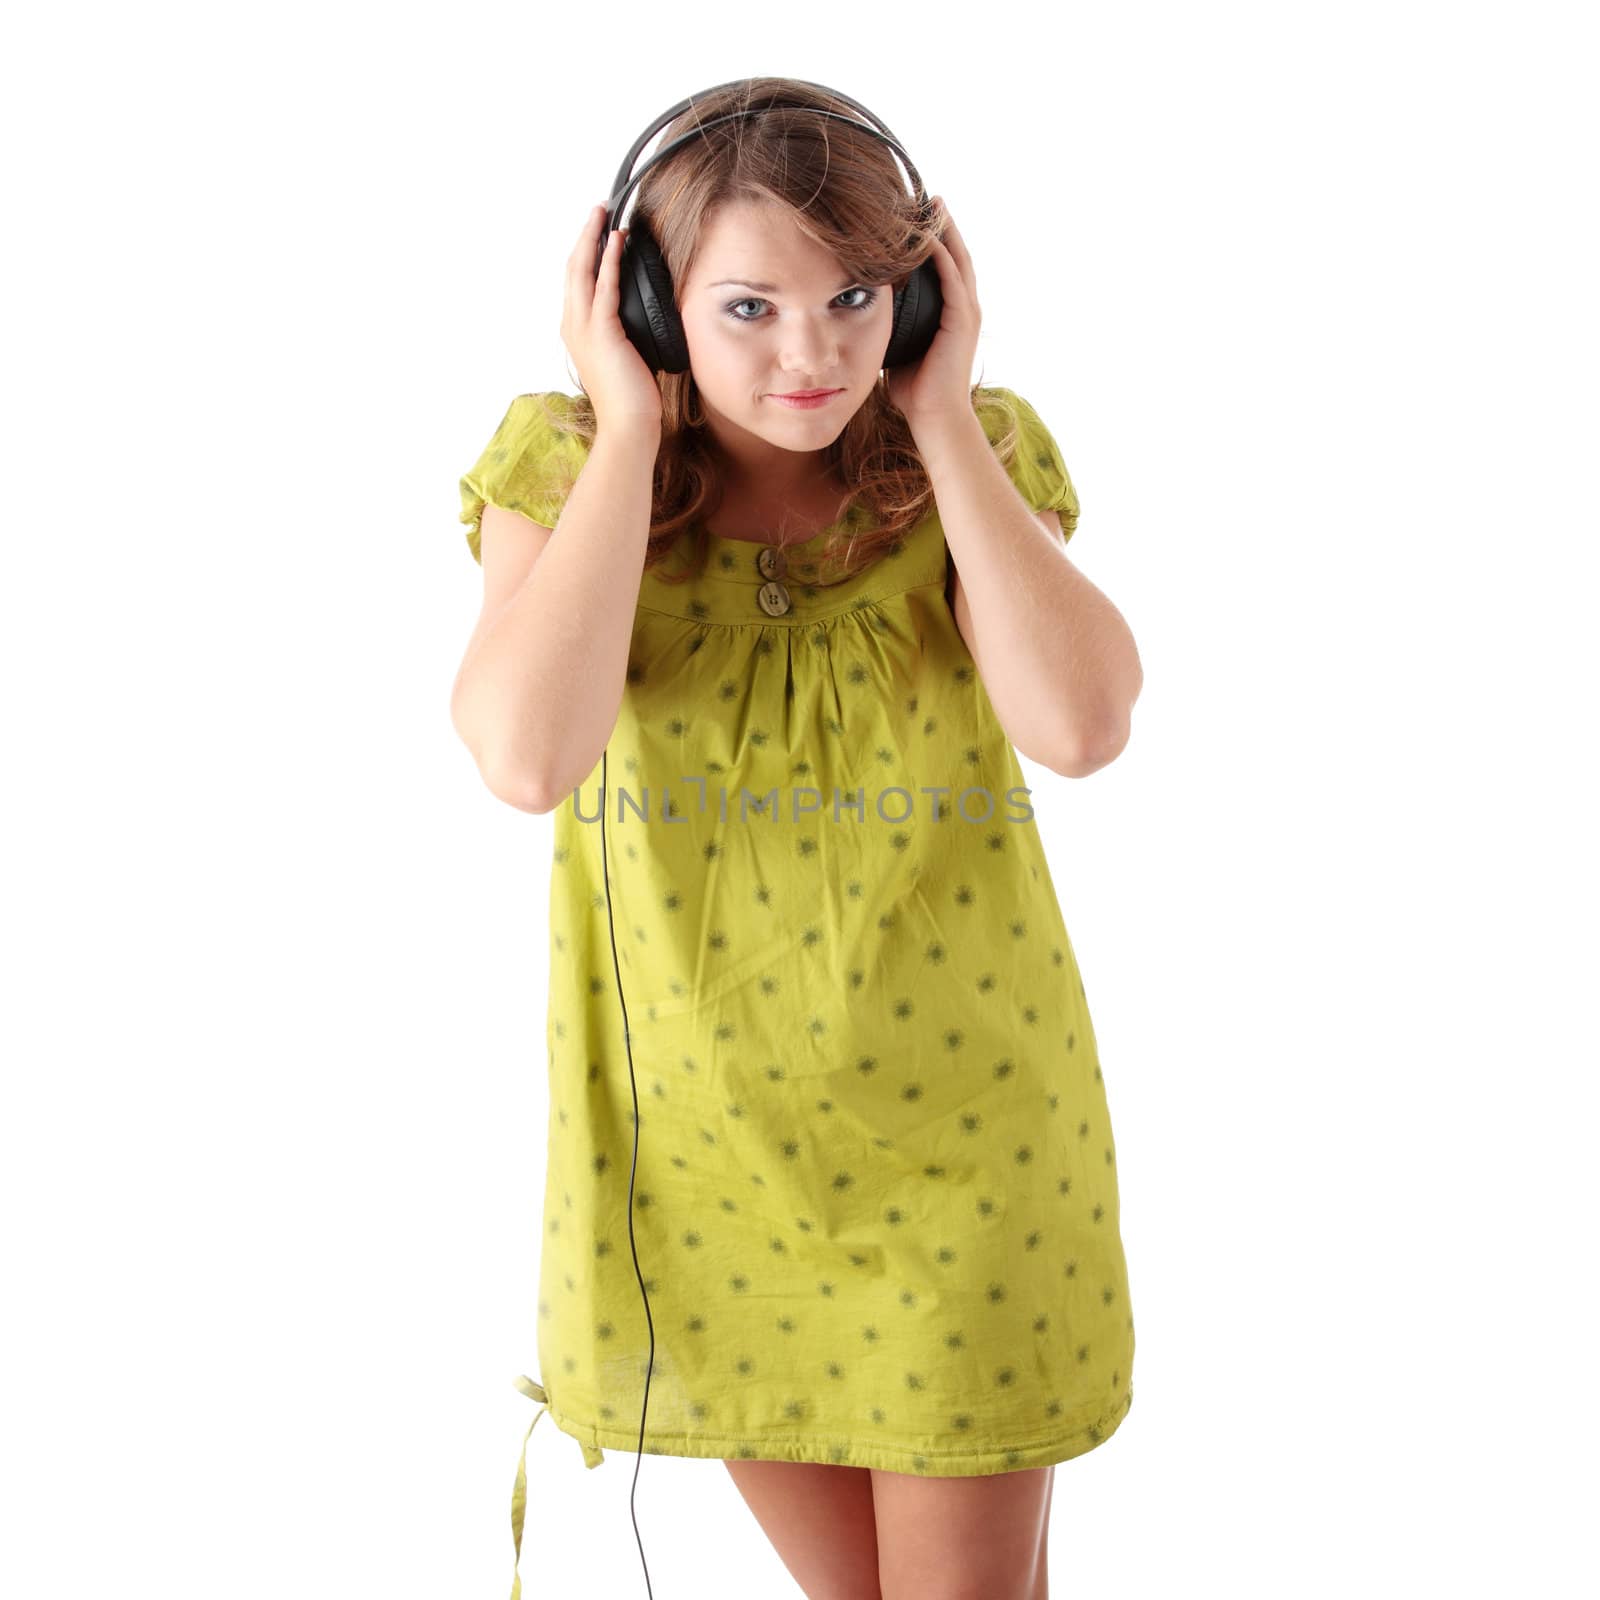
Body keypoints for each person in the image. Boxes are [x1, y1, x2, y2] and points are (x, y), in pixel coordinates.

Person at [450, 78, 1143, 1600]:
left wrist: (943, 415)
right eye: (747, 305)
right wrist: (629, 428)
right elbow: (523, 755)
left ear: (918, 292)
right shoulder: (570, 471)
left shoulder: (969, 463)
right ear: (642, 303)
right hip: (717, 1178)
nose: (813, 352)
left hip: (964, 1158)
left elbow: (1084, 728)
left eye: (853, 297)